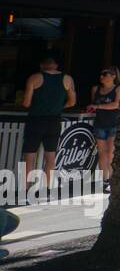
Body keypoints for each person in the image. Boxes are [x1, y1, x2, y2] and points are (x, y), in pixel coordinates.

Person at [21, 53, 75, 187]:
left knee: (30, 155)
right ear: (56, 65)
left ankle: (26, 188)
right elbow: (72, 102)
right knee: (50, 156)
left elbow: (26, 103)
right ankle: (45, 188)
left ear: (41, 66)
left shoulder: (34, 77)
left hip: (36, 119)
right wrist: (59, 106)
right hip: (54, 120)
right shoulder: (67, 79)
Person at [88, 67, 120, 189]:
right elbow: (93, 105)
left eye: (105, 74)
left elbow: (116, 104)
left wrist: (98, 106)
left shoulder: (118, 88)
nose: (102, 76)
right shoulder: (96, 89)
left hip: (113, 123)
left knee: (110, 153)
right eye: (101, 74)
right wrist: (92, 108)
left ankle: (111, 179)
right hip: (99, 124)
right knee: (102, 153)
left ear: (113, 76)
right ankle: (105, 180)